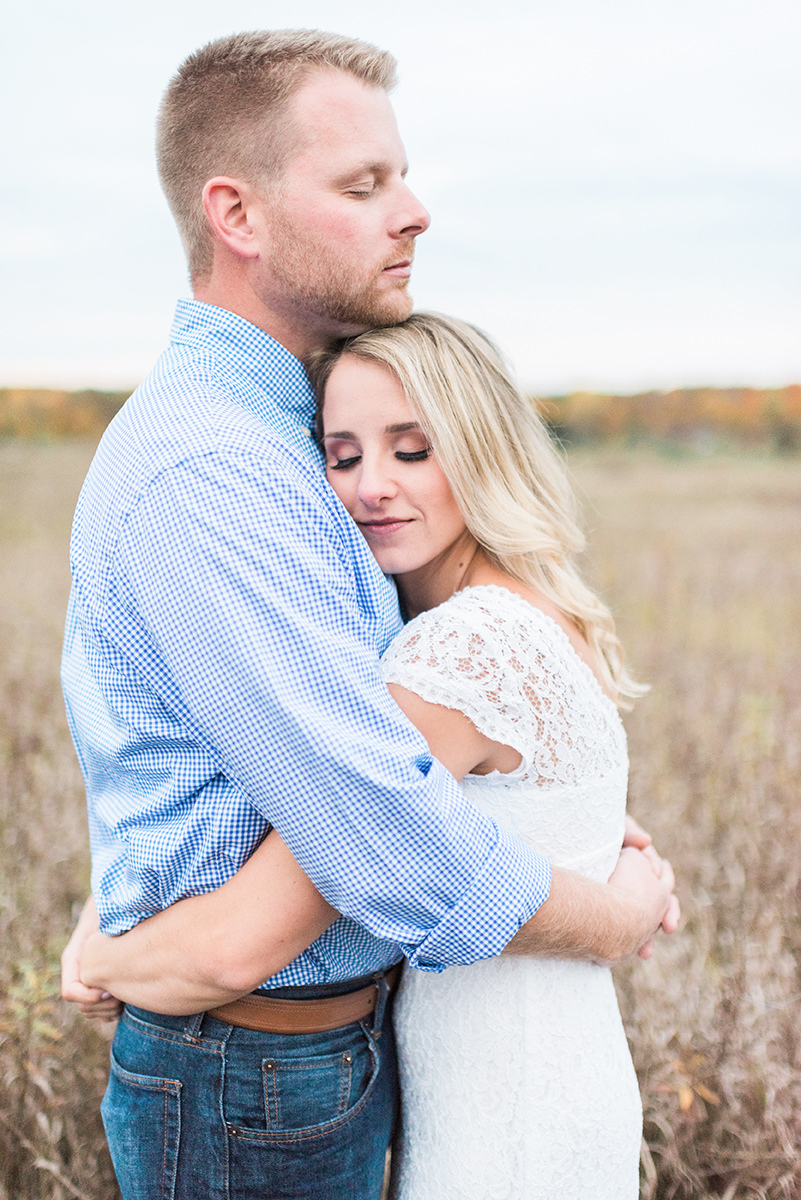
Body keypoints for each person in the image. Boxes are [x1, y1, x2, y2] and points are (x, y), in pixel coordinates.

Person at [60, 29, 677, 1200]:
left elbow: (342, 756)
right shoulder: (211, 471)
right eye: (365, 184)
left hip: (318, 1051)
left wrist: (567, 826)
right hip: (246, 1063)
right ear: (237, 217)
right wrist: (606, 912)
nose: (416, 211)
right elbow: (375, 827)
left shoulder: (282, 438)